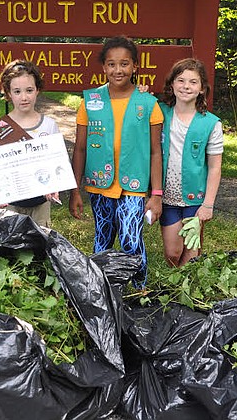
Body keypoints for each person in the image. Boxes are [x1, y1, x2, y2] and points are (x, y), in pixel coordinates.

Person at [69, 36, 164, 287]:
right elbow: (79, 149)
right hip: (100, 185)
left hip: (134, 186)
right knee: (102, 239)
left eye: (124, 64)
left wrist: (156, 194)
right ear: (103, 67)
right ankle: (102, 292)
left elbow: (156, 151)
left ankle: (138, 291)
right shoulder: (90, 102)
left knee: (131, 239)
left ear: (134, 66)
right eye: (111, 64)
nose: (118, 70)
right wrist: (74, 190)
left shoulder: (148, 103)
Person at [157, 58, 223, 266]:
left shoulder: (211, 123)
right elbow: (137, 105)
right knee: (173, 252)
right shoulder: (159, 113)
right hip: (167, 196)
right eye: (181, 80)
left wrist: (208, 205)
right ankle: (176, 277)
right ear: (172, 85)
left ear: (202, 88)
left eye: (193, 82)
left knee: (191, 251)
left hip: (195, 198)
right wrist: (141, 92)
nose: (186, 86)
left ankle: (184, 291)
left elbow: (214, 167)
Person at [0, 59, 61, 227]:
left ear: (37, 90)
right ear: (8, 93)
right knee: (10, 248)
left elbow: (56, 163)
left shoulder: (49, 125)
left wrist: (54, 187)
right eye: (17, 91)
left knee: (40, 245)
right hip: (10, 204)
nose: (24, 97)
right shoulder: (0, 128)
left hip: (41, 204)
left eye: (29, 90)